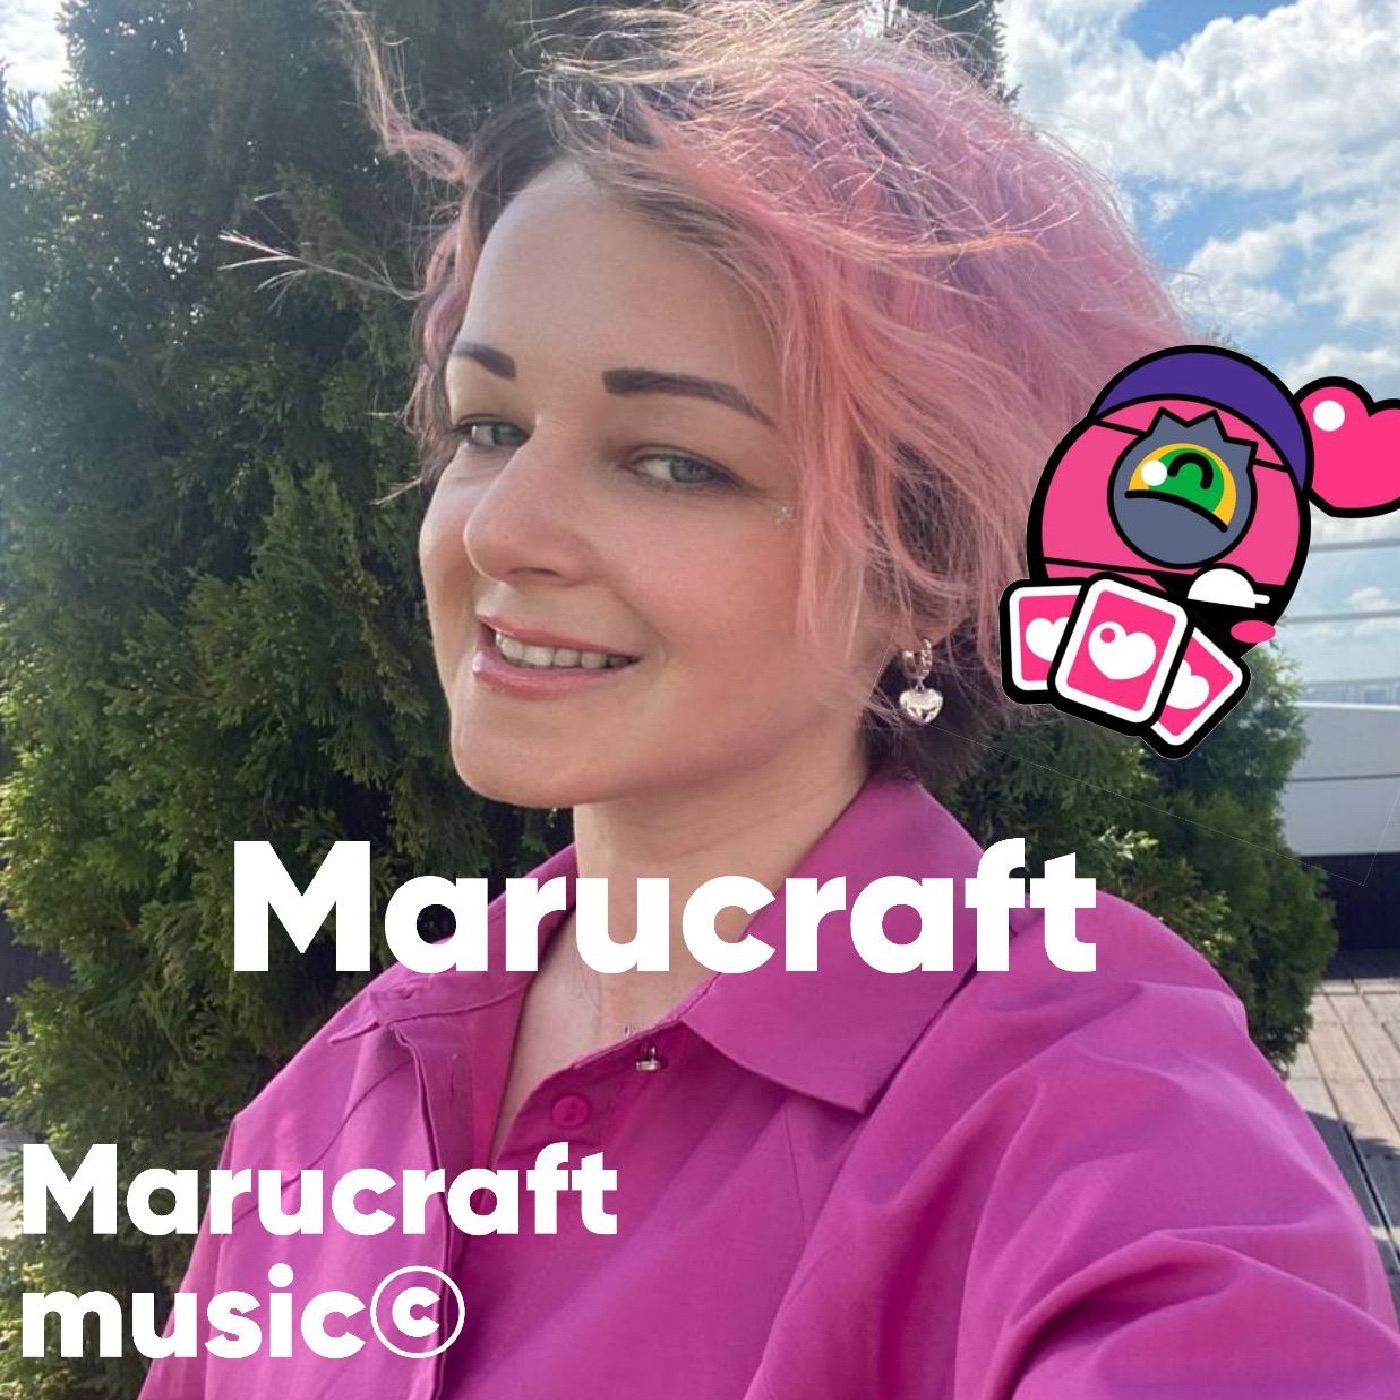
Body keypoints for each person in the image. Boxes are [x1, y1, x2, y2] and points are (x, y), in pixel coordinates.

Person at [137, 2, 1400, 1395]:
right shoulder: (340, 1097)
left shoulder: (1097, 1113)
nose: (500, 530)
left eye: (675, 460)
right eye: (491, 425)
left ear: (924, 573)